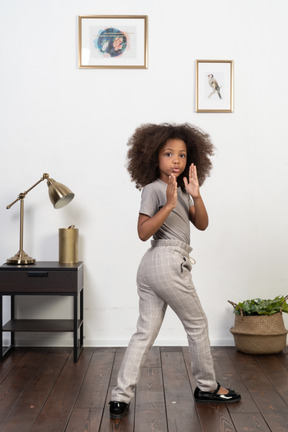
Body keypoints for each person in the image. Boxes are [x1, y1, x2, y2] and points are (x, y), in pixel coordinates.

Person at [109, 123, 241, 419]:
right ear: (153, 157)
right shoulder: (154, 189)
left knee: (144, 333)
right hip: (166, 259)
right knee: (198, 324)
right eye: (168, 154)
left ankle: (120, 397)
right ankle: (207, 386)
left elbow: (202, 224)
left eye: (181, 155)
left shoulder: (182, 190)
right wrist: (168, 205)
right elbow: (143, 232)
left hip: (153, 268)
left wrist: (195, 194)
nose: (176, 160)